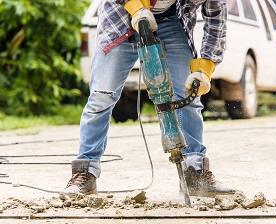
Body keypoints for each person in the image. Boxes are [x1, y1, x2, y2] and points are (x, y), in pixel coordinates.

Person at [59, 0, 236, 200]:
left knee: (189, 96)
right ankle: (85, 172)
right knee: (102, 97)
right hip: (120, 18)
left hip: (169, 20)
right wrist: (136, 7)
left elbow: (216, 20)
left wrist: (205, 68)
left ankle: (194, 173)